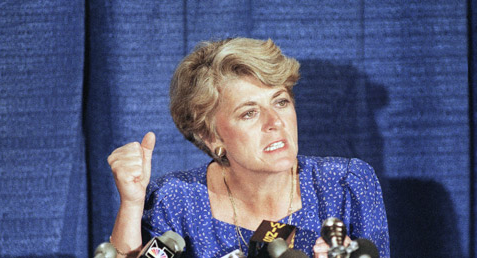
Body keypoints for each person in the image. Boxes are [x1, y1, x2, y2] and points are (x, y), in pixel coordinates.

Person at [106, 37, 389, 257]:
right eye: (249, 113)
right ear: (210, 136)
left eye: (281, 102)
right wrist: (131, 204)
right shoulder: (176, 200)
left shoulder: (345, 185)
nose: (275, 122)